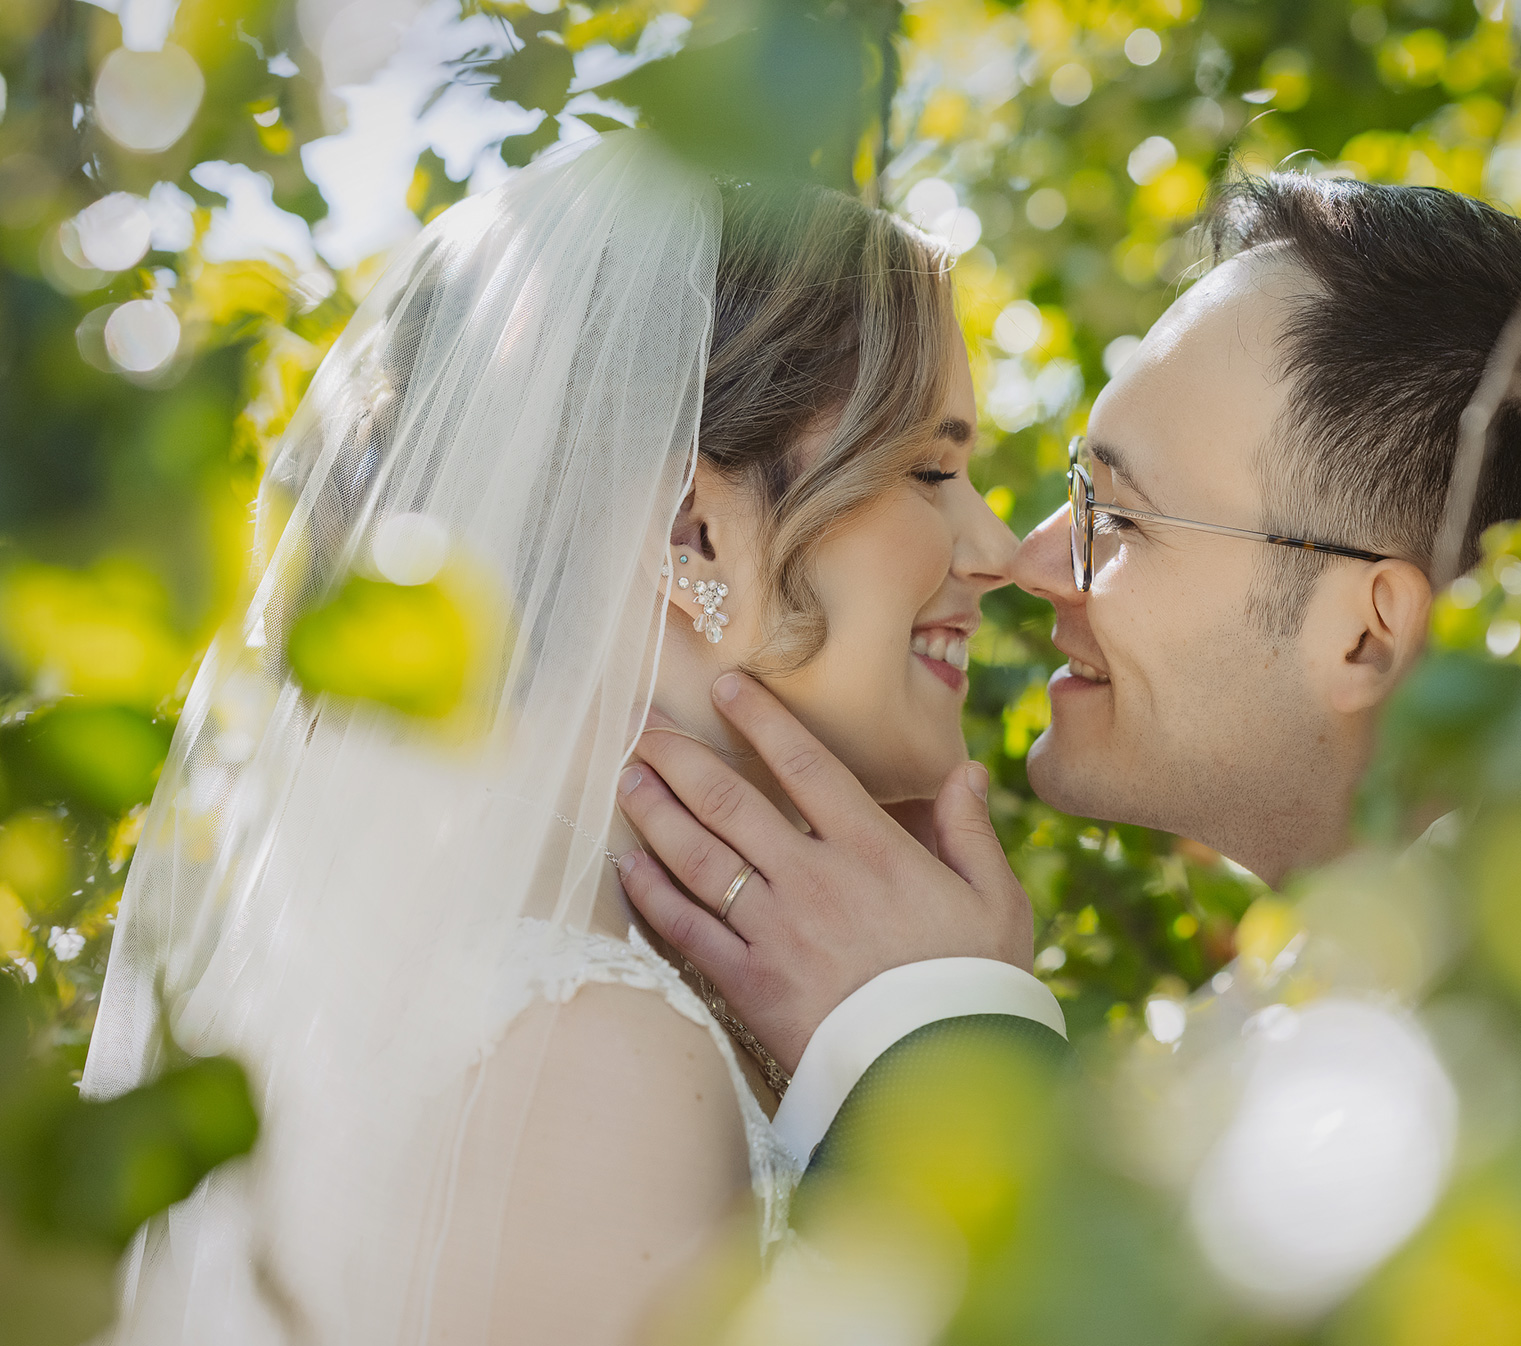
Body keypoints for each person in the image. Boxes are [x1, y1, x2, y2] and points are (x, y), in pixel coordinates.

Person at [80, 132, 1025, 1343]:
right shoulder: (601, 1060)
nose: (999, 551)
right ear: (693, 538)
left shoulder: (485, 983)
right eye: (934, 470)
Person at [612, 171, 1521, 1176]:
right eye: (1074, 488)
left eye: (1122, 514)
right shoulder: (1290, 1019)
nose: (1026, 559)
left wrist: (922, 1043)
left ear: (1364, 637)